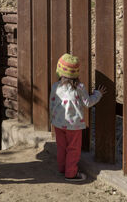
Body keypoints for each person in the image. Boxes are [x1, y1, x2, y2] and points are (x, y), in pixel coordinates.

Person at [49, 53, 106, 182]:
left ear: (60, 71)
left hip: (58, 123)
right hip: (73, 125)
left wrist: (52, 118)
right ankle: (71, 174)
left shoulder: (55, 86)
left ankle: (62, 168)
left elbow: (52, 103)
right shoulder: (79, 88)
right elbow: (88, 103)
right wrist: (98, 94)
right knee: (73, 149)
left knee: (61, 147)